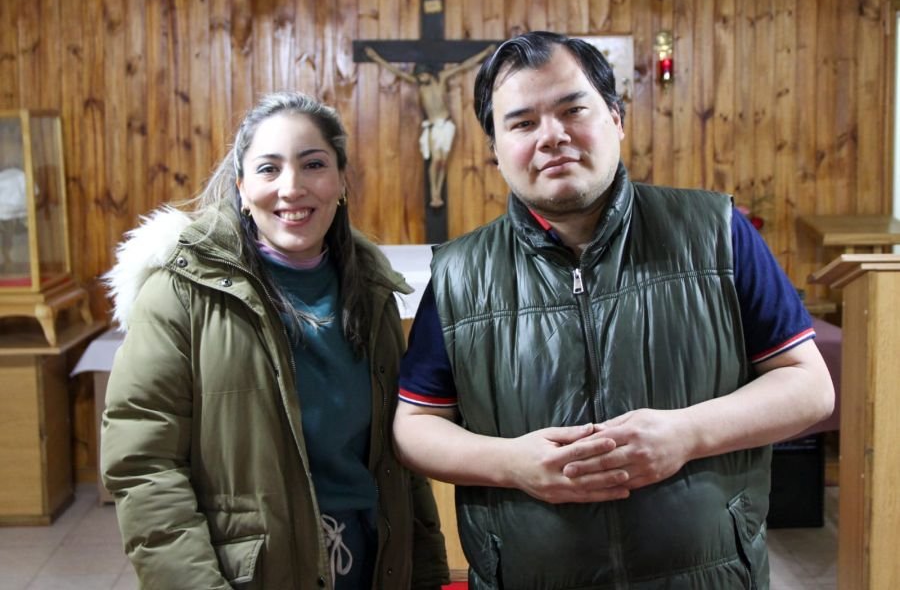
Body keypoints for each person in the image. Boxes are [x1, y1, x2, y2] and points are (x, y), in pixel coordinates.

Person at [393, 31, 834, 589]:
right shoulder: (458, 274)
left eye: (572, 109)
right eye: (522, 123)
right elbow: (416, 425)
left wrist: (688, 433)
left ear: (616, 118)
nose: (552, 137)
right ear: (495, 148)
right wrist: (513, 464)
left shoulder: (715, 234)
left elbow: (809, 386)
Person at [100, 91, 449, 590]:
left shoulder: (373, 294)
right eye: (268, 169)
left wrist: (427, 570)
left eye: (313, 164)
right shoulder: (181, 293)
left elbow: (399, 458)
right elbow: (143, 464)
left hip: (373, 563)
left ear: (341, 181)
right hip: (253, 572)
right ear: (241, 187)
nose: (292, 187)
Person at [364, 44, 494, 209]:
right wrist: (375, 57)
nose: (420, 80)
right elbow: (397, 72)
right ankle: (435, 193)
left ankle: (438, 190)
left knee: (442, 162)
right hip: (433, 126)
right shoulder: (419, 83)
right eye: (419, 77)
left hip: (446, 125)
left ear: (428, 73)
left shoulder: (441, 78)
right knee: (436, 161)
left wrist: (484, 53)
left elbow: (464, 65)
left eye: (422, 76)